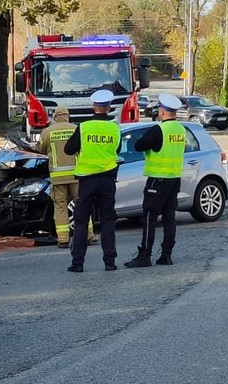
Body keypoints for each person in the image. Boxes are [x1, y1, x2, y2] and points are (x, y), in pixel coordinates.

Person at [124, 93, 185, 268]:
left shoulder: (159, 129)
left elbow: (139, 145)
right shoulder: (180, 130)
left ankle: (145, 255)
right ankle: (166, 255)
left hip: (157, 180)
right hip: (174, 179)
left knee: (149, 218)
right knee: (169, 218)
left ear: (163, 112)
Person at [64, 90, 121, 272]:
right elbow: (117, 149)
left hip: (87, 182)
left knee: (81, 221)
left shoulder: (84, 127)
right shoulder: (115, 128)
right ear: (109, 107)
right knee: (108, 221)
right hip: (107, 181)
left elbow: (68, 149)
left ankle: (78, 263)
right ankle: (110, 262)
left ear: (93, 107)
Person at [35, 106, 96, 248]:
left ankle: (63, 239)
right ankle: (89, 235)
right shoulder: (77, 128)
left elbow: (39, 149)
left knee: (60, 207)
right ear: (68, 116)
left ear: (55, 117)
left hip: (58, 178)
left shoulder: (47, 132)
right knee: (82, 205)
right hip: (77, 175)